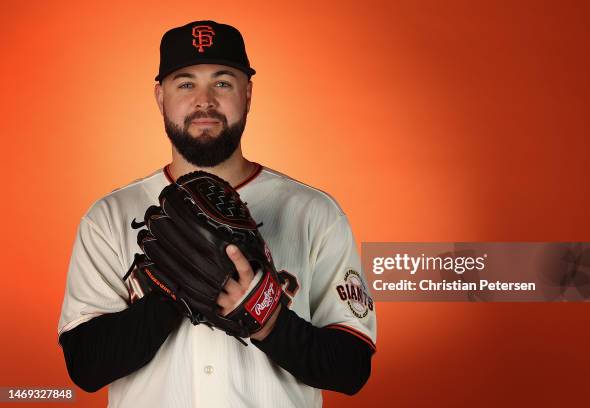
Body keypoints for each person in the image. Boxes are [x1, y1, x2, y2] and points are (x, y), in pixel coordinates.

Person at [58, 20, 377, 408]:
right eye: (186, 83)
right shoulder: (107, 217)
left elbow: (351, 367)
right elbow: (86, 367)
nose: (204, 100)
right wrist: (172, 290)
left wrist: (267, 316)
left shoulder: (314, 212)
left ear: (248, 94)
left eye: (222, 83)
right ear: (160, 96)